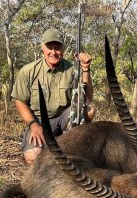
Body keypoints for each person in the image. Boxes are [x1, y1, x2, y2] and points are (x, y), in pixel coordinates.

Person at [11, 28, 95, 165]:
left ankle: (73, 144)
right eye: (49, 47)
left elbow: (87, 98)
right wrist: (33, 125)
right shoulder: (28, 71)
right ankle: (53, 145)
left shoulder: (73, 70)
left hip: (64, 119)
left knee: (89, 108)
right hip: (39, 121)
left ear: (63, 49)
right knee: (33, 158)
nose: (53, 52)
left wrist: (85, 69)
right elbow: (20, 101)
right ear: (42, 48)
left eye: (57, 48)